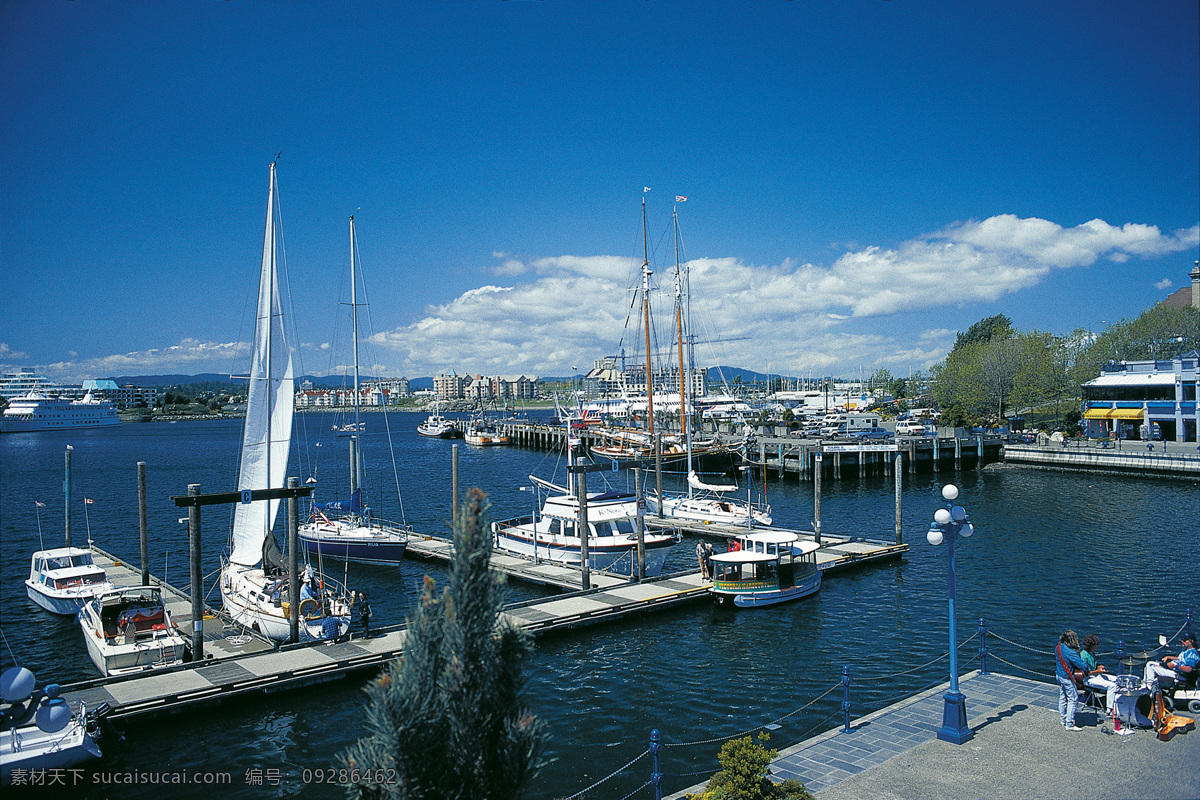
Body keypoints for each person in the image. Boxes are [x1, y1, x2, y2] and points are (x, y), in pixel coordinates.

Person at [1054, 630, 1089, 731]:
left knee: (1063, 697)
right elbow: (1082, 665)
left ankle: (1063, 719)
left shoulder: (1058, 647)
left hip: (1059, 675)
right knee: (1073, 699)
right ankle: (1070, 724)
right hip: (1067, 677)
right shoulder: (1071, 653)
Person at [1080, 634, 1117, 714]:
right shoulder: (1084, 655)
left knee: (1116, 679)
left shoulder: (1091, 653)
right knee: (1112, 686)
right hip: (1087, 679)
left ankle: (1116, 701)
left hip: (1095, 675)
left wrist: (1098, 667)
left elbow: (1092, 666)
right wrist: (1098, 671)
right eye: (1097, 644)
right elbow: (1085, 672)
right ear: (1092, 645)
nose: (1098, 646)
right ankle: (1109, 709)